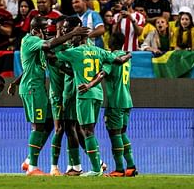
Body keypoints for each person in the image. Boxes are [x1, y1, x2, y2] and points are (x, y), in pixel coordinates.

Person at [13, 16, 90, 175]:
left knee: (48, 124)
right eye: (44, 31)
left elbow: (32, 64)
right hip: (33, 89)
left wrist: (16, 81)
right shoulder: (31, 40)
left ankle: (29, 160)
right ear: (35, 30)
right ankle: (32, 167)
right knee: (38, 127)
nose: (46, 34)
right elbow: (49, 43)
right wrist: (72, 33)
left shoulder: (37, 42)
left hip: (37, 88)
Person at [54, 19, 131, 177]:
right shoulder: (99, 50)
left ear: (80, 36)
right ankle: (99, 166)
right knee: (90, 131)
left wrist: (62, 34)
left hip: (84, 95)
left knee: (86, 131)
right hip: (98, 94)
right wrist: (129, 54)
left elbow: (54, 51)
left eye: (75, 36)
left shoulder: (75, 53)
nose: (72, 38)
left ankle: (96, 169)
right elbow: (118, 60)